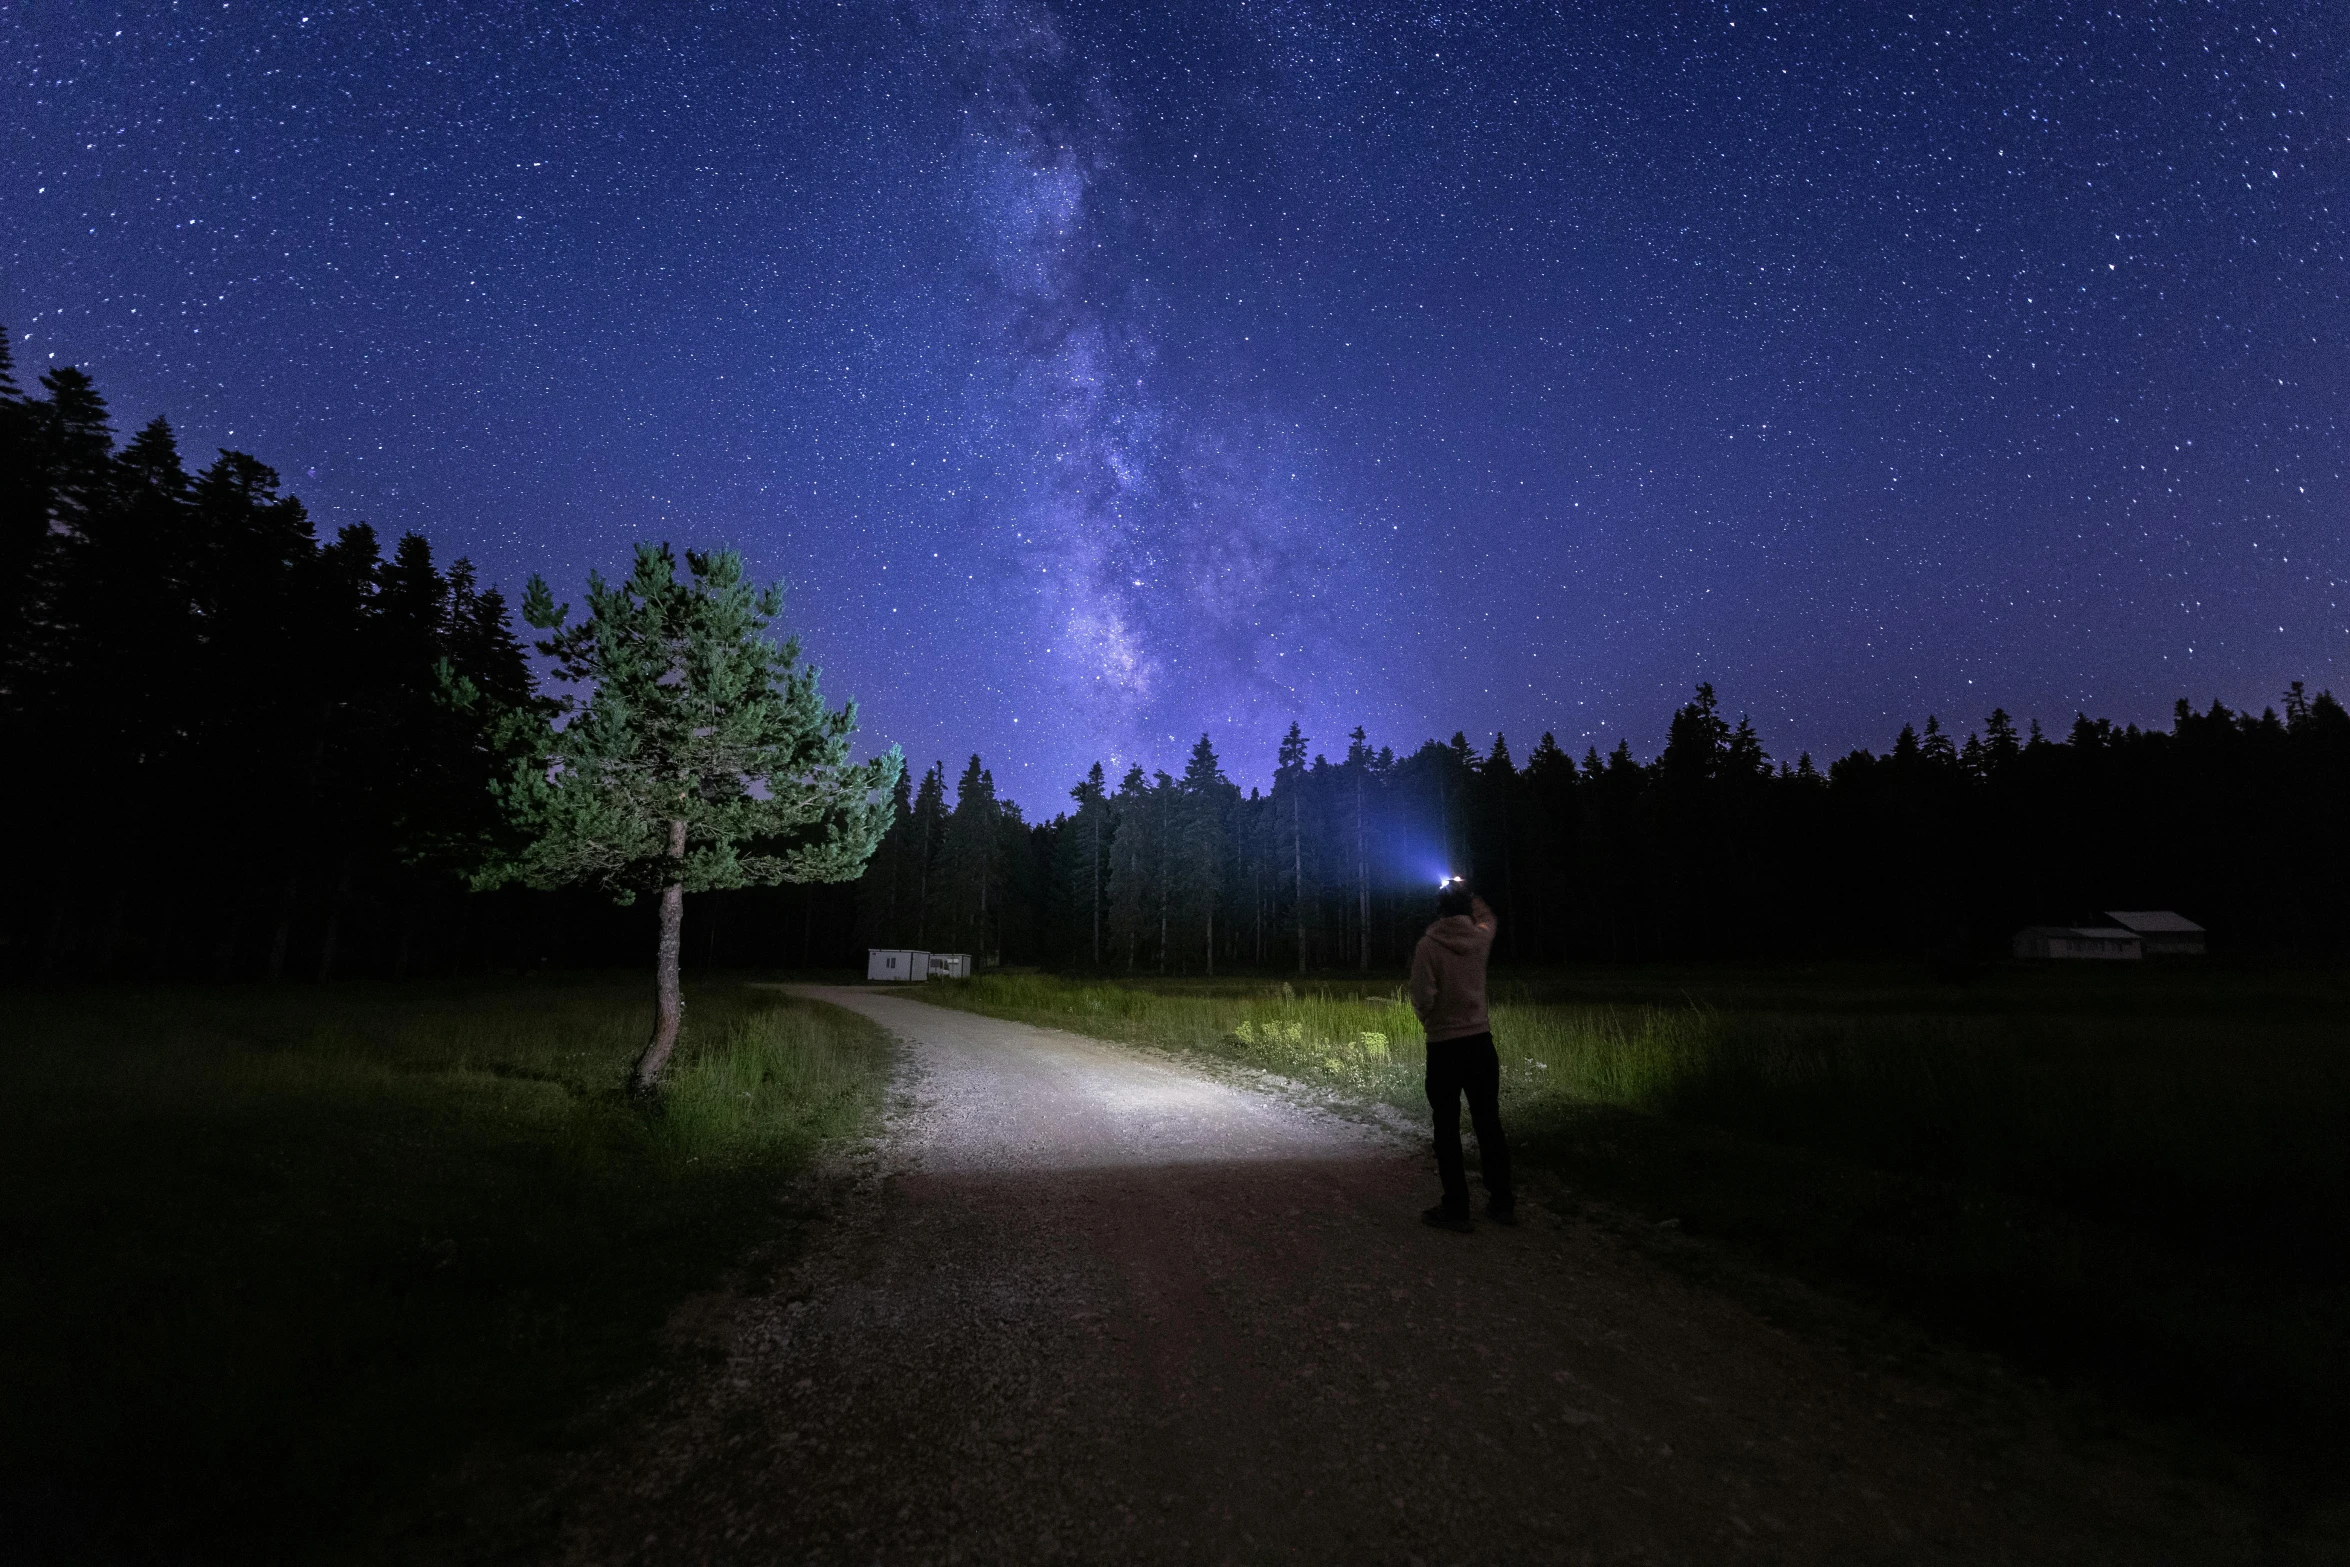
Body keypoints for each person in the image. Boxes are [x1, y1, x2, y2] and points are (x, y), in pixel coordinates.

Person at [1407, 877, 1514, 1231]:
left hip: (1444, 1047)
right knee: (1488, 1123)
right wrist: (1472, 891)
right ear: (1466, 906)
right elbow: (1490, 919)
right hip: (1480, 1042)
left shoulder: (1428, 945)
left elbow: (1422, 995)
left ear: (1438, 909)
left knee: (1447, 1127)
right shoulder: (1479, 938)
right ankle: (1502, 1203)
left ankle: (1456, 1207)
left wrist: (1431, 1020)